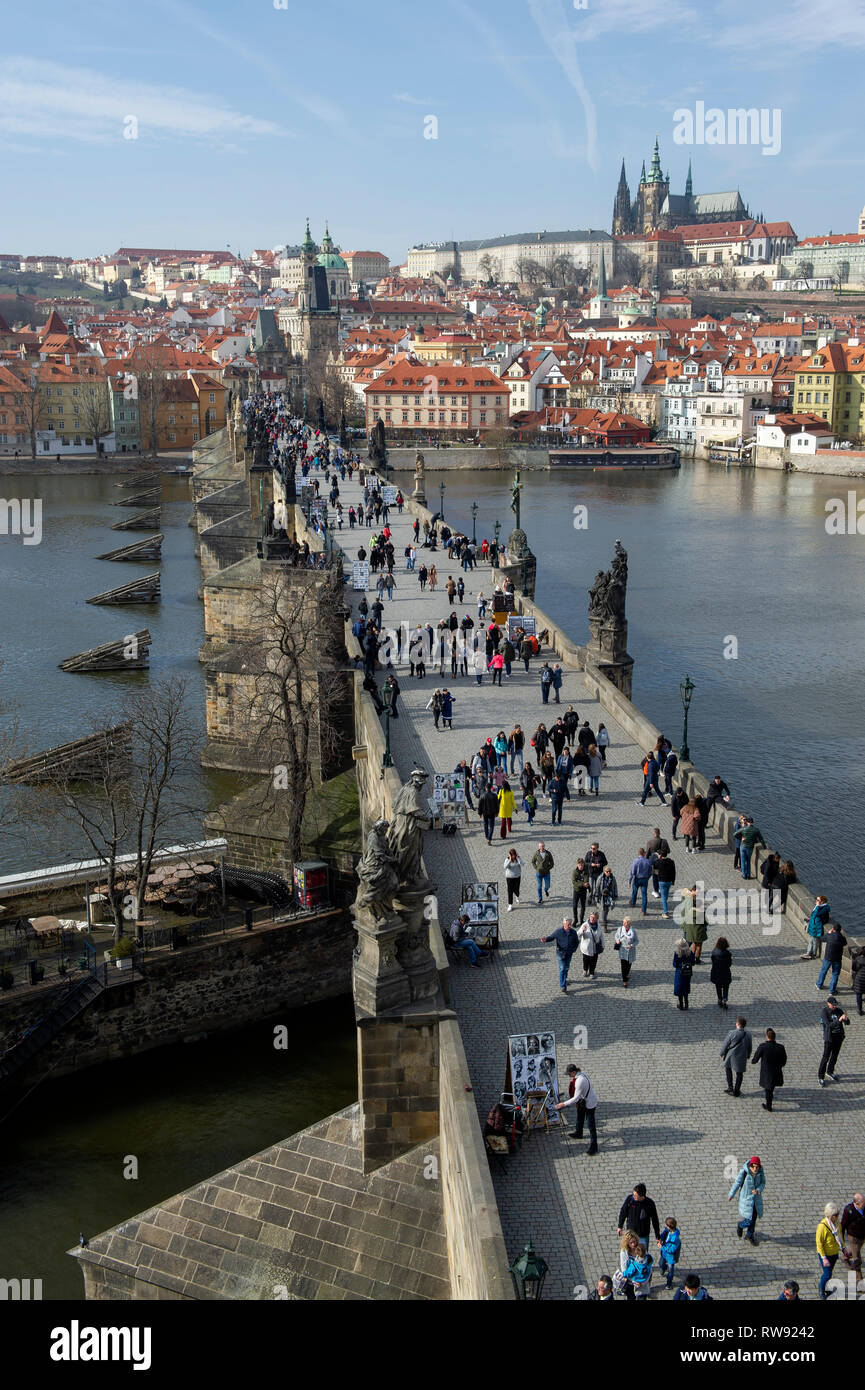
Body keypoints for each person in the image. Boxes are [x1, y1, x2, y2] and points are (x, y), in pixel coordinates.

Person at [555, 1063, 599, 1153]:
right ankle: (579, 1132)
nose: (569, 1076)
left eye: (569, 1074)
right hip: (583, 1100)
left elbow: (575, 1098)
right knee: (580, 1116)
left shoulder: (579, 1081)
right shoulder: (581, 1074)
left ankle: (594, 1146)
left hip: (590, 1102)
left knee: (591, 1124)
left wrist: (563, 1104)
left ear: (574, 1072)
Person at [729, 1157, 765, 1245]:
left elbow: (763, 1183)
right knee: (749, 1220)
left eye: (757, 1167)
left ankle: (750, 1235)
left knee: (753, 1220)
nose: (755, 1169)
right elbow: (737, 1183)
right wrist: (731, 1194)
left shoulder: (760, 1173)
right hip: (746, 1200)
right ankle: (740, 1225)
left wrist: (758, 1190)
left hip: (756, 1201)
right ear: (750, 1166)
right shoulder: (744, 1173)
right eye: (753, 1167)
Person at [751, 1028, 787, 1112]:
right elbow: (784, 1060)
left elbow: (756, 1058)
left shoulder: (763, 1046)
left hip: (766, 1072)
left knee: (768, 1089)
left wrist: (753, 1061)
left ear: (767, 1037)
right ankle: (769, 1104)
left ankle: (768, 1105)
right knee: (771, 1087)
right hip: (776, 1071)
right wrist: (779, 1066)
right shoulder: (780, 1047)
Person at [540, 915, 578, 994]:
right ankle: (563, 986)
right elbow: (551, 937)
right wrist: (545, 939)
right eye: (568, 924)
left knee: (567, 967)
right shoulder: (558, 932)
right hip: (561, 953)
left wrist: (573, 950)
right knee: (562, 968)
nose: (570, 926)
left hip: (569, 953)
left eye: (570, 924)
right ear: (564, 924)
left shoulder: (573, 932)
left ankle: (564, 979)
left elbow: (576, 942)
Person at [618, 1183, 662, 1248]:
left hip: (643, 1235)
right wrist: (620, 1226)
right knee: (629, 1253)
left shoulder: (649, 1204)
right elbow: (623, 1212)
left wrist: (657, 1236)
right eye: (633, 1194)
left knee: (643, 1255)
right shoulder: (630, 1200)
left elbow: (655, 1220)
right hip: (630, 1234)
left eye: (636, 1195)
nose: (633, 1196)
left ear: (642, 1195)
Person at [818, 996, 849, 1085]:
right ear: (828, 1004)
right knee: (825, 1057)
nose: (834, 1006)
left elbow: (847, 1023)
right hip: (829, 1038)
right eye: (833, 1005)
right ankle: (821, 1076)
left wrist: (846, 1020)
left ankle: (830, 1071)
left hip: (838, 1037)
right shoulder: (825, 1012)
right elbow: (828, 1025)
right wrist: (839, 1021)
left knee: (834, 1055)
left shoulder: (839, 1011)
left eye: (835, 1005)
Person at [817, 1203, 844, 1299]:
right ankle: (821, 1290)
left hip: (834, 1253)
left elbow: (840, 1236)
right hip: (825, 1255)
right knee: (827, 1273)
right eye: (835, 1215)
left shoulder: (837, 1224)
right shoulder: (822, 1227)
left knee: (830, 1272)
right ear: (829, 1215)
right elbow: (819, 1244)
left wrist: (843, 1248)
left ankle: (826, 1288)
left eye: (838, 1214)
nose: (837, 1217)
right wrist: (824, 1258)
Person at [720, 1015, 752, 1097]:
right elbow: (749, 1046)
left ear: (737, 1024)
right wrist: (748, 1055)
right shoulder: (748, 1034)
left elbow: (726, 1044)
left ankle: (730, 1087)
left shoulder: (732, 1033)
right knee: (739, 1073)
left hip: (731, 1056)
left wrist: (722, 1053)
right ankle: (737, 1091)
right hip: (742, 1056)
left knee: (728, 1069)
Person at [817, 923, 847, 994]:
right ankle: (832, 990)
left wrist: (828, 933)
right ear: (840, 930)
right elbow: (845, 943)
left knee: (824, 971)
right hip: (837, 959)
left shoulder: (829, 936)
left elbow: (821, 939)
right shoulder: (842, 938)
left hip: (828, 957)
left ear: (833, 929)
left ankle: (819, 984)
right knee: (835, 974)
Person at [682, 884, 708, 962]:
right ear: (692, 891)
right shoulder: (692, 903)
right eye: (697, 892)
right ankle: (695, 958)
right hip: (696, 927)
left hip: (689, 926)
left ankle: (692, 957)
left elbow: (684, 891)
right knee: (696, 943)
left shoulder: (688, 899)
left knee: (692, 942)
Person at [841, 1193, 865, 1274]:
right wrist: (842, 1240)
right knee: (857, 1259)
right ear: (857, 1204)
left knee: (855, 1249)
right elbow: (843, 1225)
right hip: (853, 1237)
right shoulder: (848, 1210)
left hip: (862, 1236)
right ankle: (859, 1279)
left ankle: (845, 1257)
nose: (864, 1204)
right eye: (863, 1203)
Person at [801, 894, 830, 960]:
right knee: (811, 940)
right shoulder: (820, 907)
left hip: (817, 927)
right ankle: (808, 953)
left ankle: (813, 954)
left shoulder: (824, 908)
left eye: (818, 900)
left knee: (814, 941)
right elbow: (813, 915)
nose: (816, 901)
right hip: (813, 925)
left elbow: (817, 914)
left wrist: (817, 906)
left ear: (822, 902)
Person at [657, 1218, 682, 1290]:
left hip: (671, 1257)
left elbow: (671, 1250)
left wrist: (661, 1247)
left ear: (669, 1227)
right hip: (664, 1254)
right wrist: (660, 1240)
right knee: (661, 1263)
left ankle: (669, 1283)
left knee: (670, 1271)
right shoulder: (667, 1231)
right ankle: (664, 1268)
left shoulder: (675, 1239)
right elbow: (663, 1235)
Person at [710, 936, 733, 1010]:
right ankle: (725, 998)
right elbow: (729, 964)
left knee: (718, 986)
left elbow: (713, 962)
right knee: (726, 986)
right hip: (725, 972)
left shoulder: (714, 953)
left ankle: (719, 999)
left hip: (716, 973)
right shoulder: (728, 954)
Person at [578, 911, 603, 978]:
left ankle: (592, 972)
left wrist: (603, 945)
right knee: (586, 960)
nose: (592, 919)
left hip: (595, 947)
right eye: (591, 917)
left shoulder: (599, 926)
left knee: (594, 961)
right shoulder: (585, 925)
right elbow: (578, 934)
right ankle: (585, 970)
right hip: (586, 948)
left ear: (597, 919)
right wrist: (582, 931)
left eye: (594, 918)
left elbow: (601, 936)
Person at [614, 917, 638, 987]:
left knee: (628, 965)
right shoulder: (620, 929)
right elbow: (616, 936)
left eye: (627, 923)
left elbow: (637, 941)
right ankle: (624, 981)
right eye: (624, 922)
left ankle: (626, 975)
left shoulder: (633, 931)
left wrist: (632, 945)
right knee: (623, 966)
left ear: (629, 923)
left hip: (631, 951)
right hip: (623, 950)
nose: (625, 924)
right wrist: (617, 940)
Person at [628, 848, 652, 915]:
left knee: (635, 891)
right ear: (644, 853)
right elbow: (650, 872)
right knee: (644, 895)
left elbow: (632, 872)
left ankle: (633, 902)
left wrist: (630, 880)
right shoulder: (648, 861)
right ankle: (644, 910)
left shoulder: (635, 861)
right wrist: (648, 878)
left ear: (638, 853)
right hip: (645, 879)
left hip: (637, 879)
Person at [673, 939, 695, 1010]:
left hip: (679, 973)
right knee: (686, 986)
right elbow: (693, 963)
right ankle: (686, 1003)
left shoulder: (677, 953)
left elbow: (675, 964)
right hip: (687, 973)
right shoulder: (690, 953)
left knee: (680, 987)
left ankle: (681, 1004)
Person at [654, 849, 676, 919]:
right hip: (669, 881)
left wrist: (658, 858)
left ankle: (666, 912)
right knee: (665, 895)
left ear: (660, 855)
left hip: (662, 881)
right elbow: (674, 872)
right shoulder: (671, 861)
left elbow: (655, 868)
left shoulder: (658, 862)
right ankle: (665, 905)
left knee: (663, 896)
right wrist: (673, 881)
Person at [596, 864, 618, 932]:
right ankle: (605, 925)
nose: (608, 873)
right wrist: (596, 896)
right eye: (607, 871)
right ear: (604, 872)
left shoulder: (613, 878)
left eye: (609, 871)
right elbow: (597, 887)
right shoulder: (600, 878)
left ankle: (604, 919)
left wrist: (615, 895)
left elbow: (615, 887)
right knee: (604, 910)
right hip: (602, 897)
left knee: (607, 909)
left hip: (609, 896)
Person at [572, 858, 591, 927]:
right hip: (576, 891)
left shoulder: (586, 871)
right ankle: (575, 919)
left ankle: (581, 919)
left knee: (583, 906)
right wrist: (583, 884)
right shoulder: (575, 872)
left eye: (582, 865)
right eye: (580, 865)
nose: (581, 867)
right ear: (577, 865)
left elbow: (586, 878)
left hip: (583, 891)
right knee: (574, 906)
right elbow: (574, 882)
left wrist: (585, 883)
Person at [852, 948, 865, 1017]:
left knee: (859, 995)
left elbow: (854, 968)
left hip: (859, 979)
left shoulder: (857, 959)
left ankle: (859, 1010)